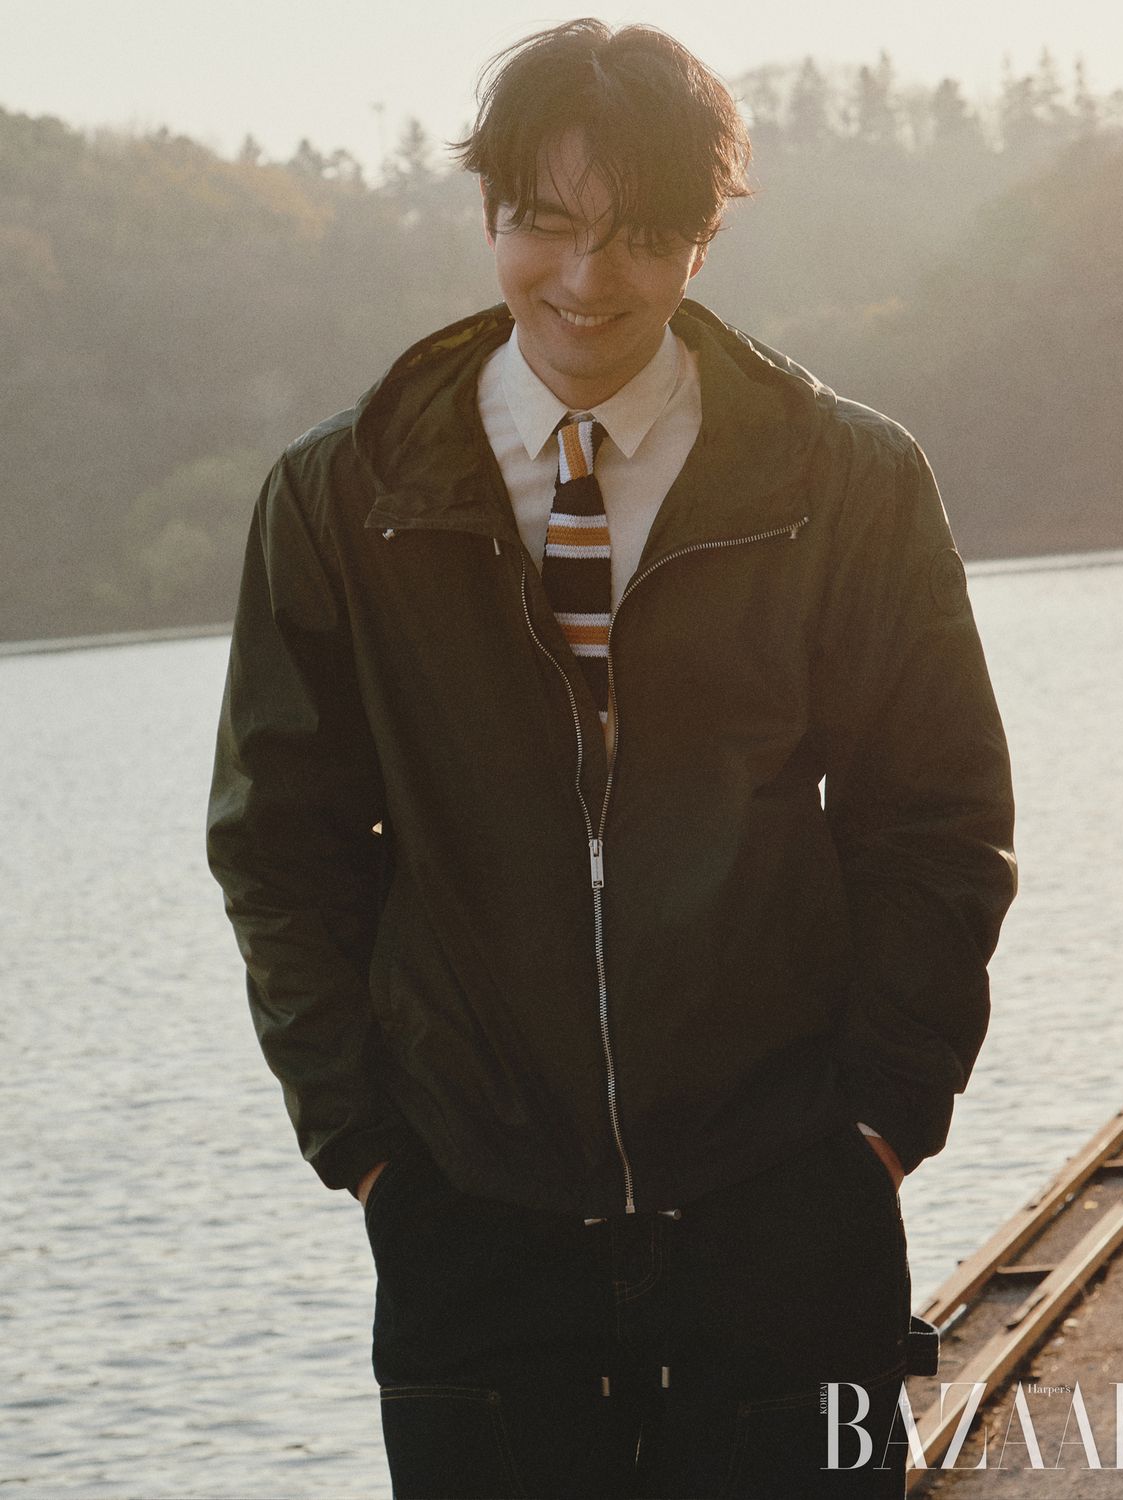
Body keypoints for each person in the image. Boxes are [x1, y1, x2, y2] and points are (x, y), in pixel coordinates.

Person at [207, 18, 1016, 1498]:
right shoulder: (340, 499)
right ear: (489, 212)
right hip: (472, 1223)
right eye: (547, 224)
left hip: (788, 1211)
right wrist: (372, 1149)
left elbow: (938, 823)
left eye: (640, 236)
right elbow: (281, 848)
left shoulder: (847, 482)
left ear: (703, 240)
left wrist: (880, 1125)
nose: (586, 280)